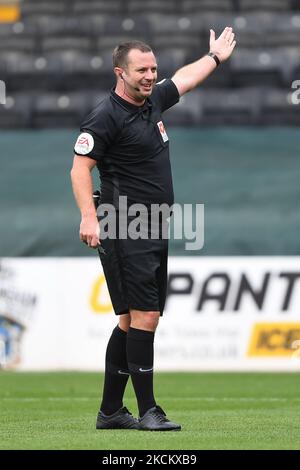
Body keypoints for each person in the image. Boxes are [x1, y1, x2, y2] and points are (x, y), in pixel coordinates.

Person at [71, 29, 236, 431]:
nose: (150, 75)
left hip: (151, 227)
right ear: (119, 73)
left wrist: (213, 57)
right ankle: (149, 412)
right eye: (141, 70)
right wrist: (89, 217)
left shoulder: (153, 102)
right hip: (124, 225)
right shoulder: (105, 115)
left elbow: (186, 79)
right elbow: (79, 168)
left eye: (153, 68)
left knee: (131, 320)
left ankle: (111, 412)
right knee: (145, 316)